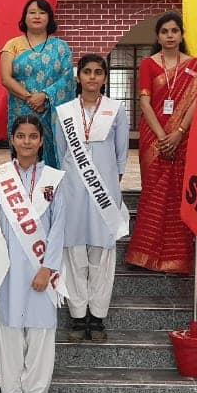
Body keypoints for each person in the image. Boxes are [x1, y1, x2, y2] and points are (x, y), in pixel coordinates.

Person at [0, 115, 67, 393]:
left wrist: (48, 268)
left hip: (41, 269)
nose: (27, 142)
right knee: (7, 335)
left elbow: (59, 227)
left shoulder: (54, 179)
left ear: (41, 141)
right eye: (21, 136)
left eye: (33, 136)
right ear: (12, 140)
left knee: (41, 335)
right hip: (6, 269)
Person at [53, 54, 129, 343]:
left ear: (105, 77)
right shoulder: (65, 112)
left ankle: (97, 316)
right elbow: (61, 152)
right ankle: (77, 315)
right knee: (73, 252)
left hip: (104, 192)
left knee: (102, 253)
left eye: (98, 72)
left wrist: (110, 184)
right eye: (87, 72)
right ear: (79, 77)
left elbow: (121, 155)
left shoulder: (115, 110)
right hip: (72, 190)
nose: (92, 77)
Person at [126, 12, 197, 274]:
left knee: (178, 193)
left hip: (184, 136)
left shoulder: (196, 65)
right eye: (165, 31)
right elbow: (145, 103)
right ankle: (143, 255)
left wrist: (179, 132)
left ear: (181, 35)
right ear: (158, 37)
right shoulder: (148, 64)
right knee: (153, 193)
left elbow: (196, 102)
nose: (170, 36)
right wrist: (162, 137)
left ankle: (176, 259)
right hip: (153, 138)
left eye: (174, 31)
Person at [0, 0, 72, 168]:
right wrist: (31, 98)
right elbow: (6, 78)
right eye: (32, 12)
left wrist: (45, 96)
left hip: (51, 112)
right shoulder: (13, 45)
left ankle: (52, 185)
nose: (37, 16)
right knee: (24, 151)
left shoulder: (61, 47)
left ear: (49, 18)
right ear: (24, 18)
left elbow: (67, 78)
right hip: (22, 110)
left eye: (42, 12)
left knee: (52, 156)